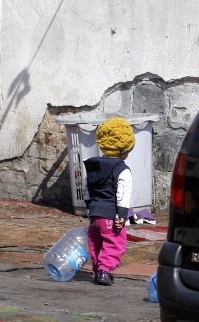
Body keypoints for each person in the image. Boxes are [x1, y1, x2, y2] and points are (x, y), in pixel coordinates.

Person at [83, 116, 135, 286]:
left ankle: (98, 269)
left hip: (95, 214)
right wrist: (121, 215)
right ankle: (105, 271)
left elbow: (86, 190)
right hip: (111, 215)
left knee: (96, 242)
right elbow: (123, 194)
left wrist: (90, 209)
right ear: (124, 150)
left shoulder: (93, 166)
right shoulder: (122, 169)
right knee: (114, 243)